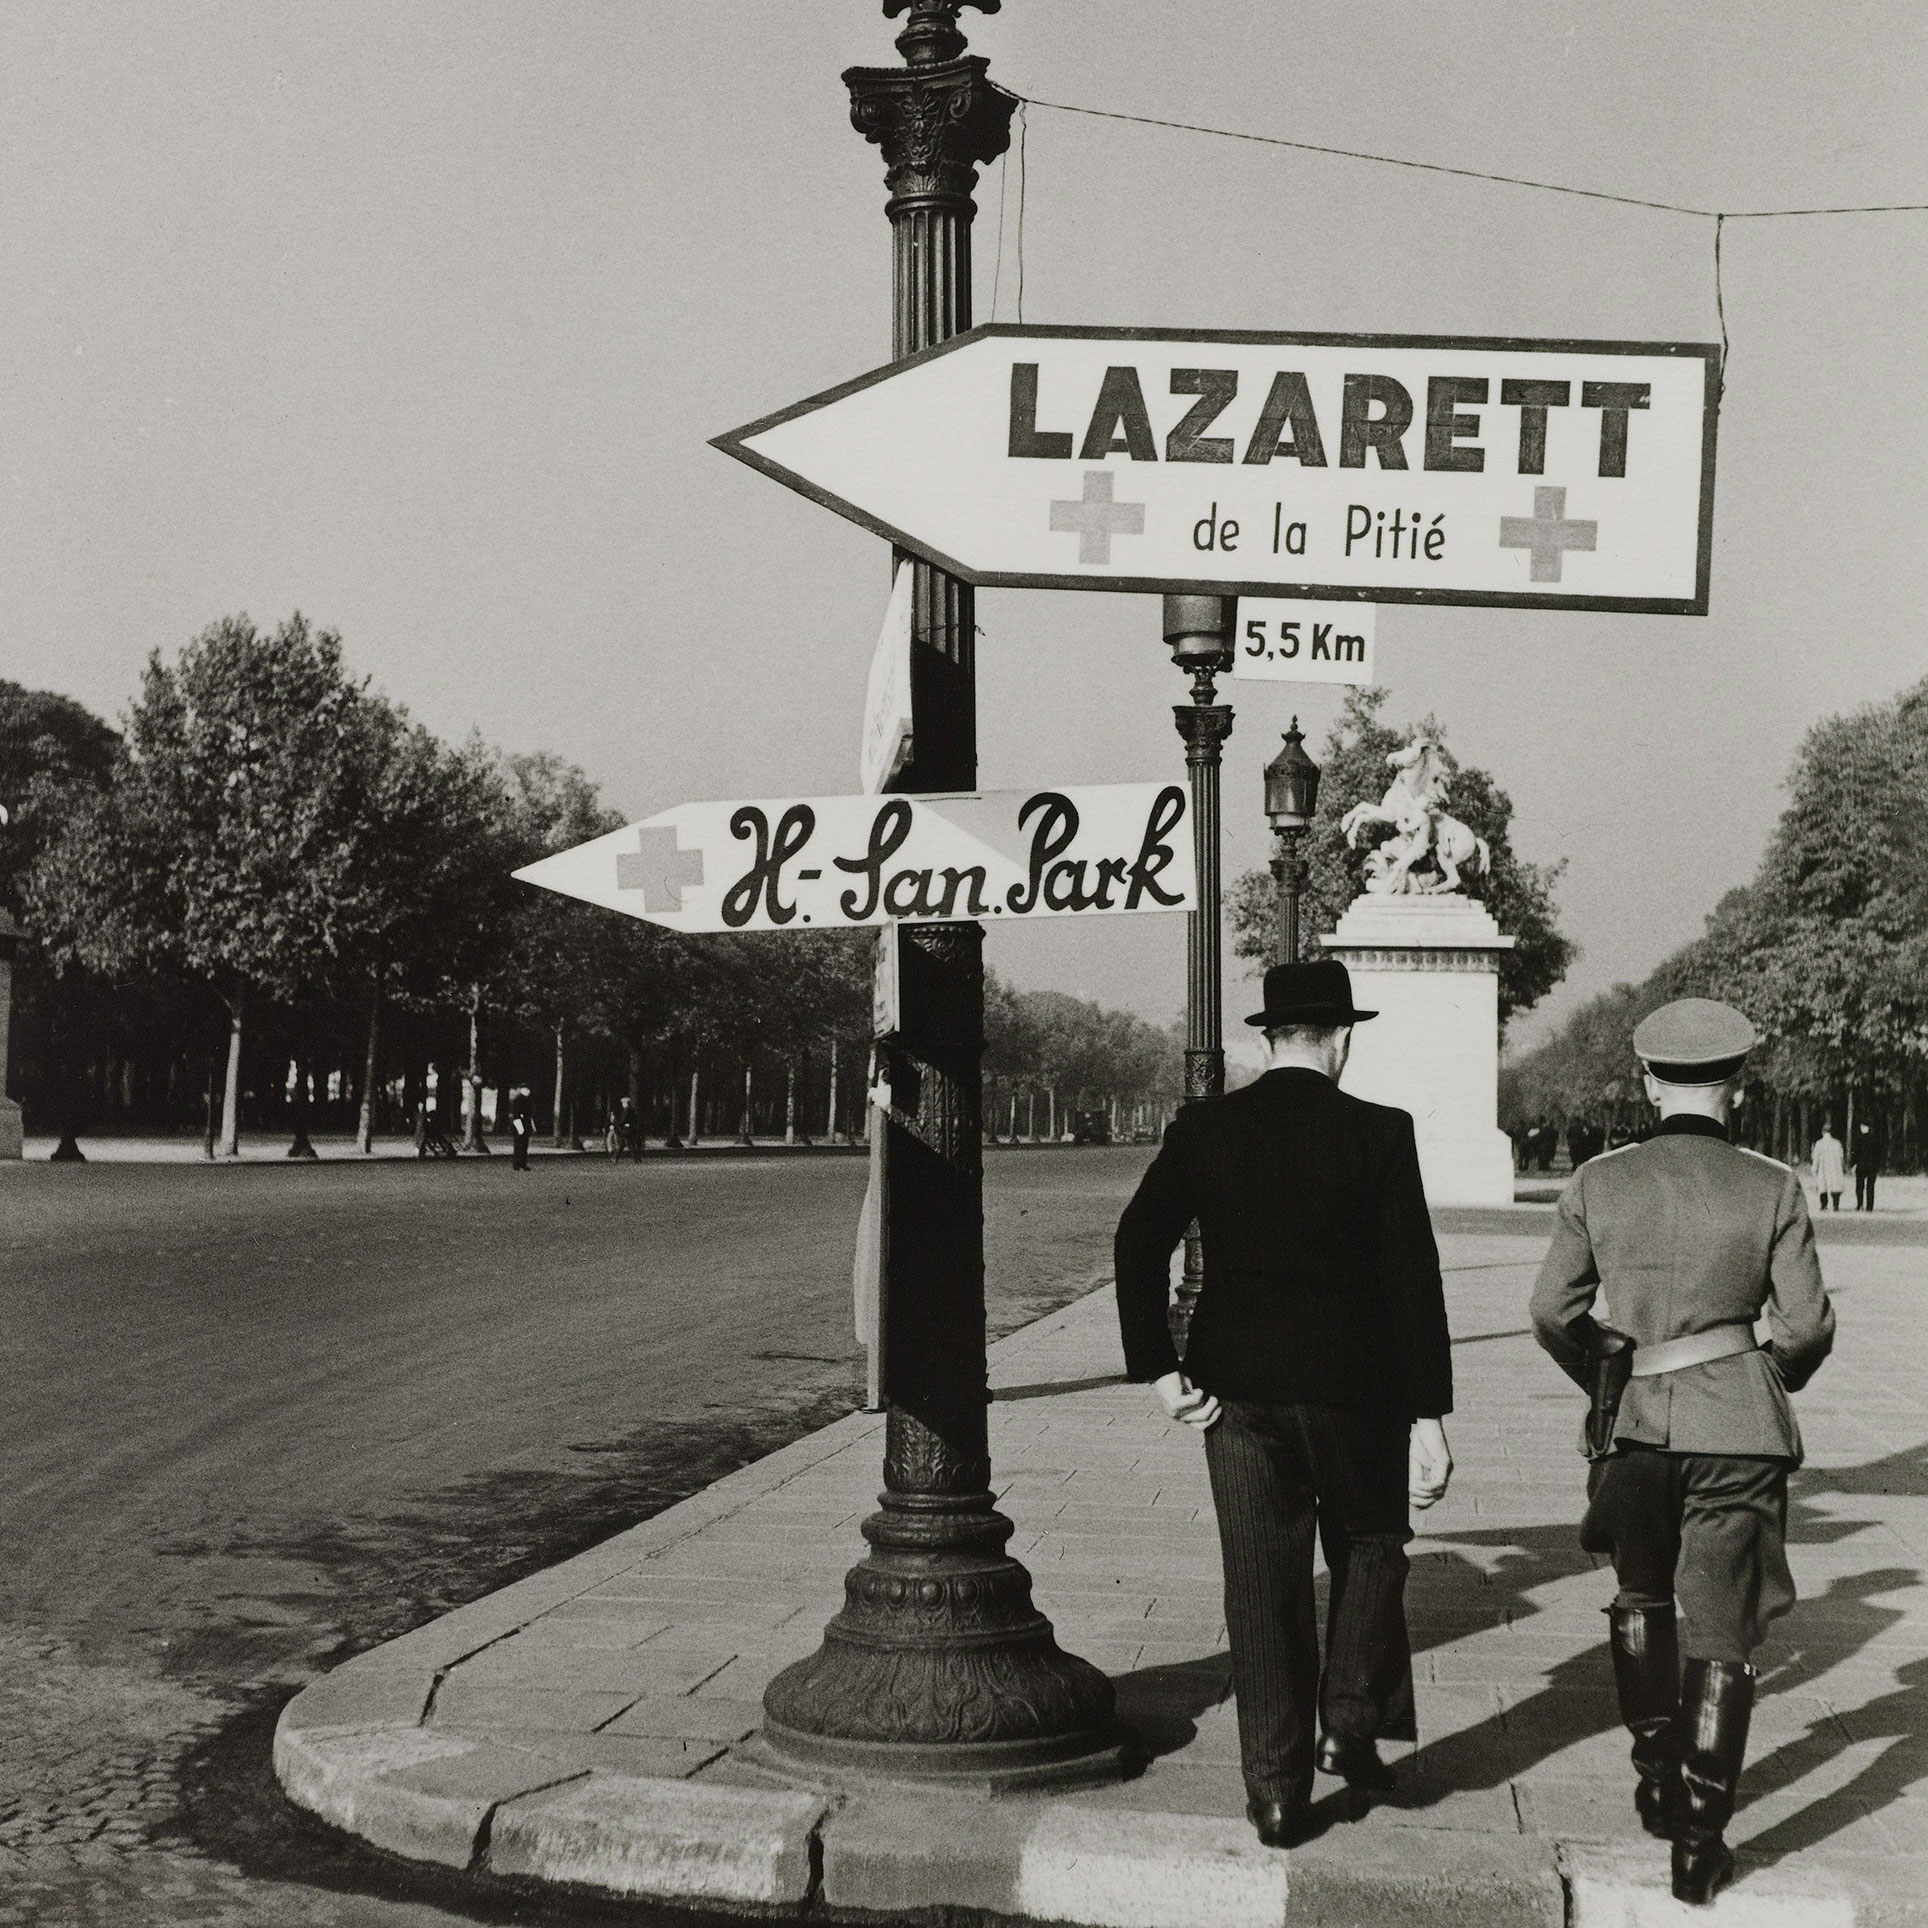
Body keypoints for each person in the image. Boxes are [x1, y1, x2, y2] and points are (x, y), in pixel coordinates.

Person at [1113, 958, 1454, 1850]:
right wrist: (1430, 1414)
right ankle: (1348, 1718)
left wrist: (1157, 1366)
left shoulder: (1205, 1128)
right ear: (1341, 1040)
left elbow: (1137, 1241)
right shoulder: (1382, 1132)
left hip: (1238, 1390)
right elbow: (1413, 1280)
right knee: (1374, 1549)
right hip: (1359, 1390)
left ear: (1269, 1040)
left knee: (1261, 1588)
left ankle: (1274, 1794)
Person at [1529, 998, 1834, 1907]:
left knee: (1637, 1596)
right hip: (1737, 1428)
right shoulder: (1771, 1184)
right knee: (1721, 1630)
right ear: (1734, 1085)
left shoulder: (1599, 1180)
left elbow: (1551, 1311)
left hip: (1634, 1428)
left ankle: (1657, 1768)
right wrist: (1760, 1372)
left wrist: (1605, 1372)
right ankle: (1700, 1838)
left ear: (1648, 1081)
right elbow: (1807, 1324)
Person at [1810, 1122, 1846, 1211]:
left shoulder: (1819, 1143)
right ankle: (1836, 1205)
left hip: (1823, 1167)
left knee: (1823, 1186)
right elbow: (1841, 1157)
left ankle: (1824, 1205)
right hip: (1835, 1167)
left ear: (1823, 1132)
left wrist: (1814, 1169)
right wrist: (1842, 1166)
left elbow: (1816, 1158)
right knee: (1835, 1186)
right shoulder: (1837, 1143)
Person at [1851, 1117, 1882, 1212]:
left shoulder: (1858, 1138)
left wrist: (1853, 1164)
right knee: (1870, 1187)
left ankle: (1859, 1204)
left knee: (1859, 1186)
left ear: (1863, 1127)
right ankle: (1869, 1206)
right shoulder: (1875, 1138)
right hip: (1872, 1166)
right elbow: (1879, 1153)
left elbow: (1855, 1152)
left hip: (1861, 1165)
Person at [508, 1090, 533, 1171]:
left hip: (523, 1123)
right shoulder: (519, 1100)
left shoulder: (524, 1099)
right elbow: (517, 1115)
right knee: (520, 1144)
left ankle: (521, 1164)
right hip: (520, 1124)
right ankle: (518, 1164)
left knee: (523, 1145)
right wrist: (520, 1128)